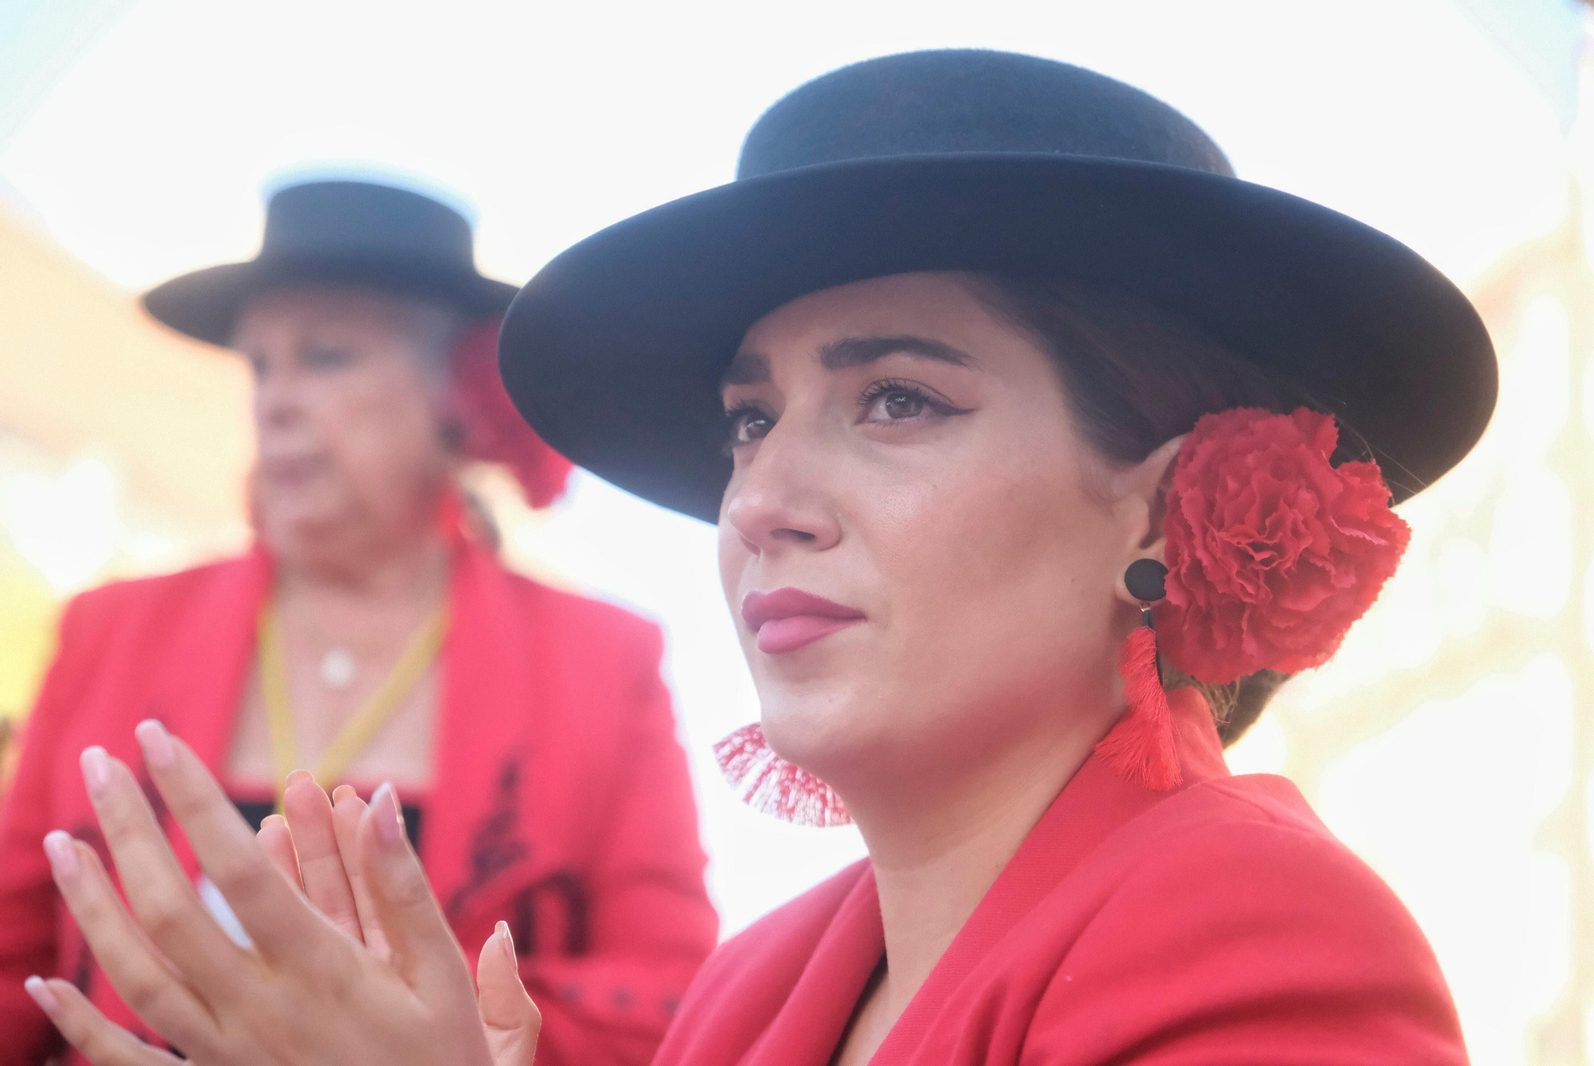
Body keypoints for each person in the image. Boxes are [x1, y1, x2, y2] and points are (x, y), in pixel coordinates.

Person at [21, 50, 1495, 1065]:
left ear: (1171, 510)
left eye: (899, 399)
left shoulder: (1258, 931)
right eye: (745, 419)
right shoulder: (757, 981)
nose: (759, 497)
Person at [0, 180, 717, 1066]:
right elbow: (11, 953)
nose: (277, 400)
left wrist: (393, 1024)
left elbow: (677, 1001)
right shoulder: (111, 626)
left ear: (459, 394)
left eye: (328, 356)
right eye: (261, 366)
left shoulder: (604, 661)